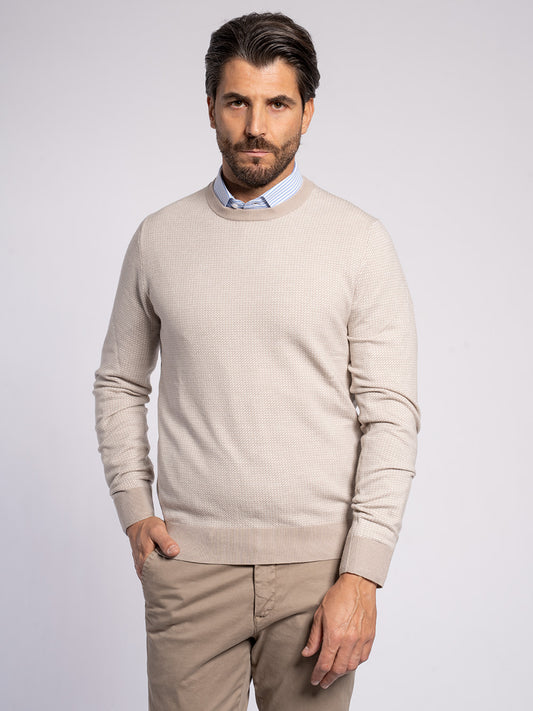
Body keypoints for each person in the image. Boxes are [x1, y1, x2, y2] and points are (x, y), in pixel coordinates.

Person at [93, 11, 421, 711]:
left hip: (318, 575)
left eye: (277, 104)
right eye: (237, 102)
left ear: (307, 111)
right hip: (189, 569)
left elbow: (390, 416)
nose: (255, 127)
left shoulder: (358, 241)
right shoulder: (159, 238)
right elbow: (120, 381)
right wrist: (134, 508)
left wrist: (363, 575)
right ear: (210, 105)